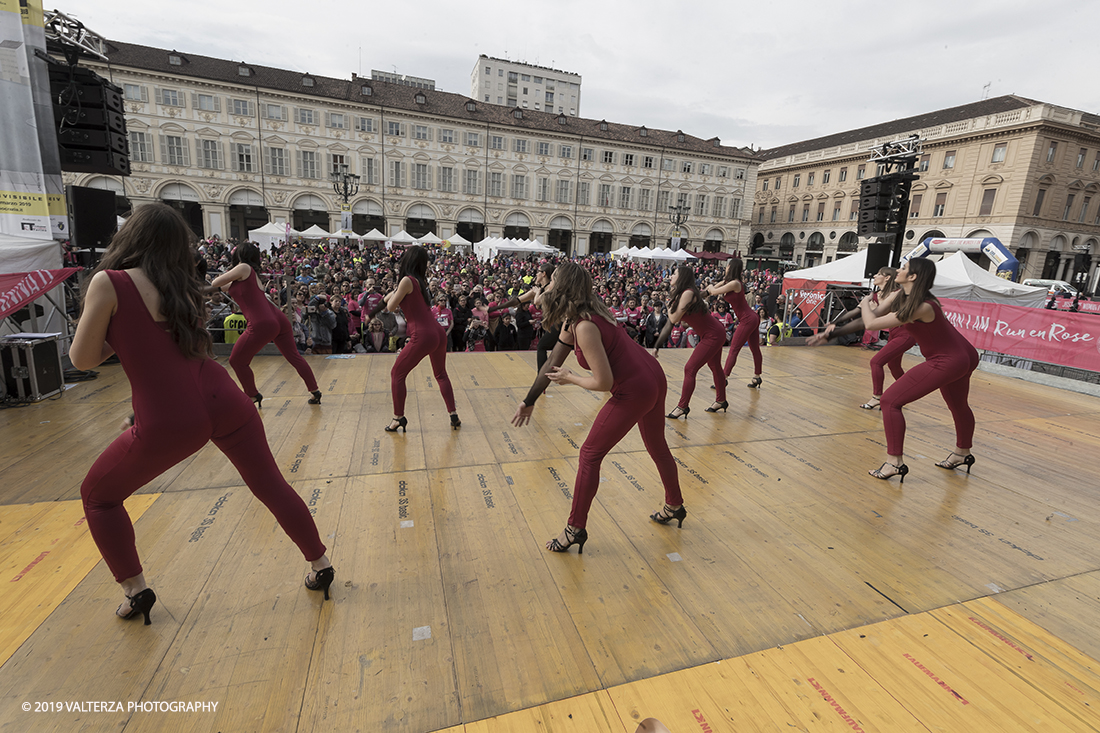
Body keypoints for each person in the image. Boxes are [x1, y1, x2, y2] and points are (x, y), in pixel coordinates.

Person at [70, 204, 335, 626]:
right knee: (270, 484)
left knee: (98, 496)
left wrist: (111, 330)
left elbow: (83, 359)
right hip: (224, 397)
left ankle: (136, 591)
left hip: (171, 417)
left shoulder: (110, 282)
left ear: (130, 238)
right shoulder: (182, 286)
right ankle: (320, 563)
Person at [511, 261, 684, 554]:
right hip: (650, 374)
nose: (546, 284)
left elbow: (603, 382)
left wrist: (571, 378)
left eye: (551, 280)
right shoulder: (577, 317)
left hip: (634, 388)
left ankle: (574, 529)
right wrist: (529, 400)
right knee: (656, 447)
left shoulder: (585, 326)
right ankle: (675, 505)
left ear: (562, 287)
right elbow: (552, 363)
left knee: (589, 454)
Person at [810, 258, 979, 482]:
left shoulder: (922, 306)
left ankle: (894, 463)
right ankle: (962, 453)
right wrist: (833, 333)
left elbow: (869, 322)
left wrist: (864, 305)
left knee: (890, 401)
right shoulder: (902, 295)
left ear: (913, 277)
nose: (899, 270)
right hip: (964, 354)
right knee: (958, 406)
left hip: (948, 359)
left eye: (904, 268)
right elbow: (872, 318)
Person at [208, 242, 322, 406]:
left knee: (236, 361)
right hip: (277, 318)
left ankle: (253, 394)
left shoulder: (243, 267)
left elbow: (214, 283)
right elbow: (223, 287)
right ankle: (314, 391)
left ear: (238, 255)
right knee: (294, 356)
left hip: (262, 322)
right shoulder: (250, 273)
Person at [368, 246, 460, 432]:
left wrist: (389, 296)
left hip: (422, 334)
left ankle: (398, 417)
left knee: (397, 373)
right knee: (441, 374)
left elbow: (392, 307)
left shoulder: (406, 280)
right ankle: (453, 414)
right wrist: (392, 295)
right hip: (437, 332)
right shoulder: (419, 281)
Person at [654, 266, 728, 418]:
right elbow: (670, 323)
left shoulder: (687, 293)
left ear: (681, 277)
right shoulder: (683, 294)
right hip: (713, 332)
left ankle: (682, 407)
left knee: (690, 369)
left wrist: (667, 305)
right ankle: (721, 400)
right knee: (714, 366)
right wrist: (657, 345)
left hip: (713, 335)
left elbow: (673, 318)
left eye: (674, 273)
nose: (671, 276)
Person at [705, 258, 763, 389]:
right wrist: (712, 287)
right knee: (754, 349)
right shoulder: (729, 282)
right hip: (751, 317)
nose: (725, 268)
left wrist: (709, 287)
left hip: (747, 319)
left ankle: (723, 378)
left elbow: (713, 291)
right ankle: (757, 376)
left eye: (727, 266)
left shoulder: (735, 284)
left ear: (731, 267)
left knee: (734, 349)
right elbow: (717, 286)